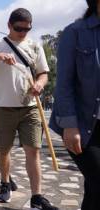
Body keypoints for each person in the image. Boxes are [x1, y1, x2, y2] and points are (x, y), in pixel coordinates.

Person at [0, 8, 58, 209]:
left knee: (34, 150)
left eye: (27, 29)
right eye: (18, 28)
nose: (22, 33)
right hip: (3, 107)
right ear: (9, 26)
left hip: (29, 107)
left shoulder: (35, 46)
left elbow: (43, 73)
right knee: (4, 150)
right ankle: (5, 184)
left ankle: (36, 197)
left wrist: (39, 84)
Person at [50, 1, 100, 209]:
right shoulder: (76, 32)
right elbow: (64, 83)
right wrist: (70, 125)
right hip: (84, 127)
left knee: (94, 191)